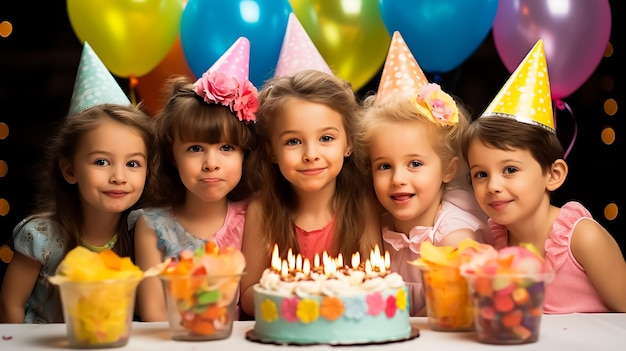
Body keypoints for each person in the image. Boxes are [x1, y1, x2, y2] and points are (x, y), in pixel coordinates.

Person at [461, 39, 626, 313]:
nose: (493, 186)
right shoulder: (491, 244)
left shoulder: (582, 239)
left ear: (554, 174)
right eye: (480, 174)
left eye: (510, 169)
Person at [0, 42, 156, 324]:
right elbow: (10, 304)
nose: (118, 176)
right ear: (69, 170)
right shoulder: (42, 238)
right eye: (101, 161)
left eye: (132, 163)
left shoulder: (141, 237)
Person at [355, 31, 490, 316]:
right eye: (384, 165)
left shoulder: (454, 238)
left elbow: (463, 317)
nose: (398, 179)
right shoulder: (378, 227)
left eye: (414, 164)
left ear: (448, 169)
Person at [238, 69, 383, 317]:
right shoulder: (262, 210)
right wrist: (298, 296)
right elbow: (249, 296)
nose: (311, 154)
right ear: (271, 151)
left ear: (348, 143)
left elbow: (377, 283)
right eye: (293, 141)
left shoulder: (362, 204)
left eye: (326, 138)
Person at [133, 37, 258, 322]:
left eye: (226, 148)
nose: (211, 164)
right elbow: (154, 316)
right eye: (195, 149)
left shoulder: (254, 215)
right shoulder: (151, 227)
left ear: (244, 155)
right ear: (172, 156)